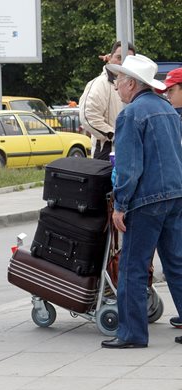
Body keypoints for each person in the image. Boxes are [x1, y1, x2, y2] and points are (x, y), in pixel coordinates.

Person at [100, 55, 182, 349]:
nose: (116, 86)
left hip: (147, 199)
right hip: (175, 194)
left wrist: (120, 204)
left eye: (118, 80)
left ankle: (132, 333)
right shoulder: (167, 109)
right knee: (176, 263)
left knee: (132, 267)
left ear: (131, 83)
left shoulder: (131, 114)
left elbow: (129, 167)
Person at [79, 41, 136, 160]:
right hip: (107, 149)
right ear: (110, 58)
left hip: (132, 148)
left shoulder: (136, 84)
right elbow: (88, 117)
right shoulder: (99, 84)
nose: (122, 63)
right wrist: (114, 135)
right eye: (119, 57)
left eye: (128, 59)